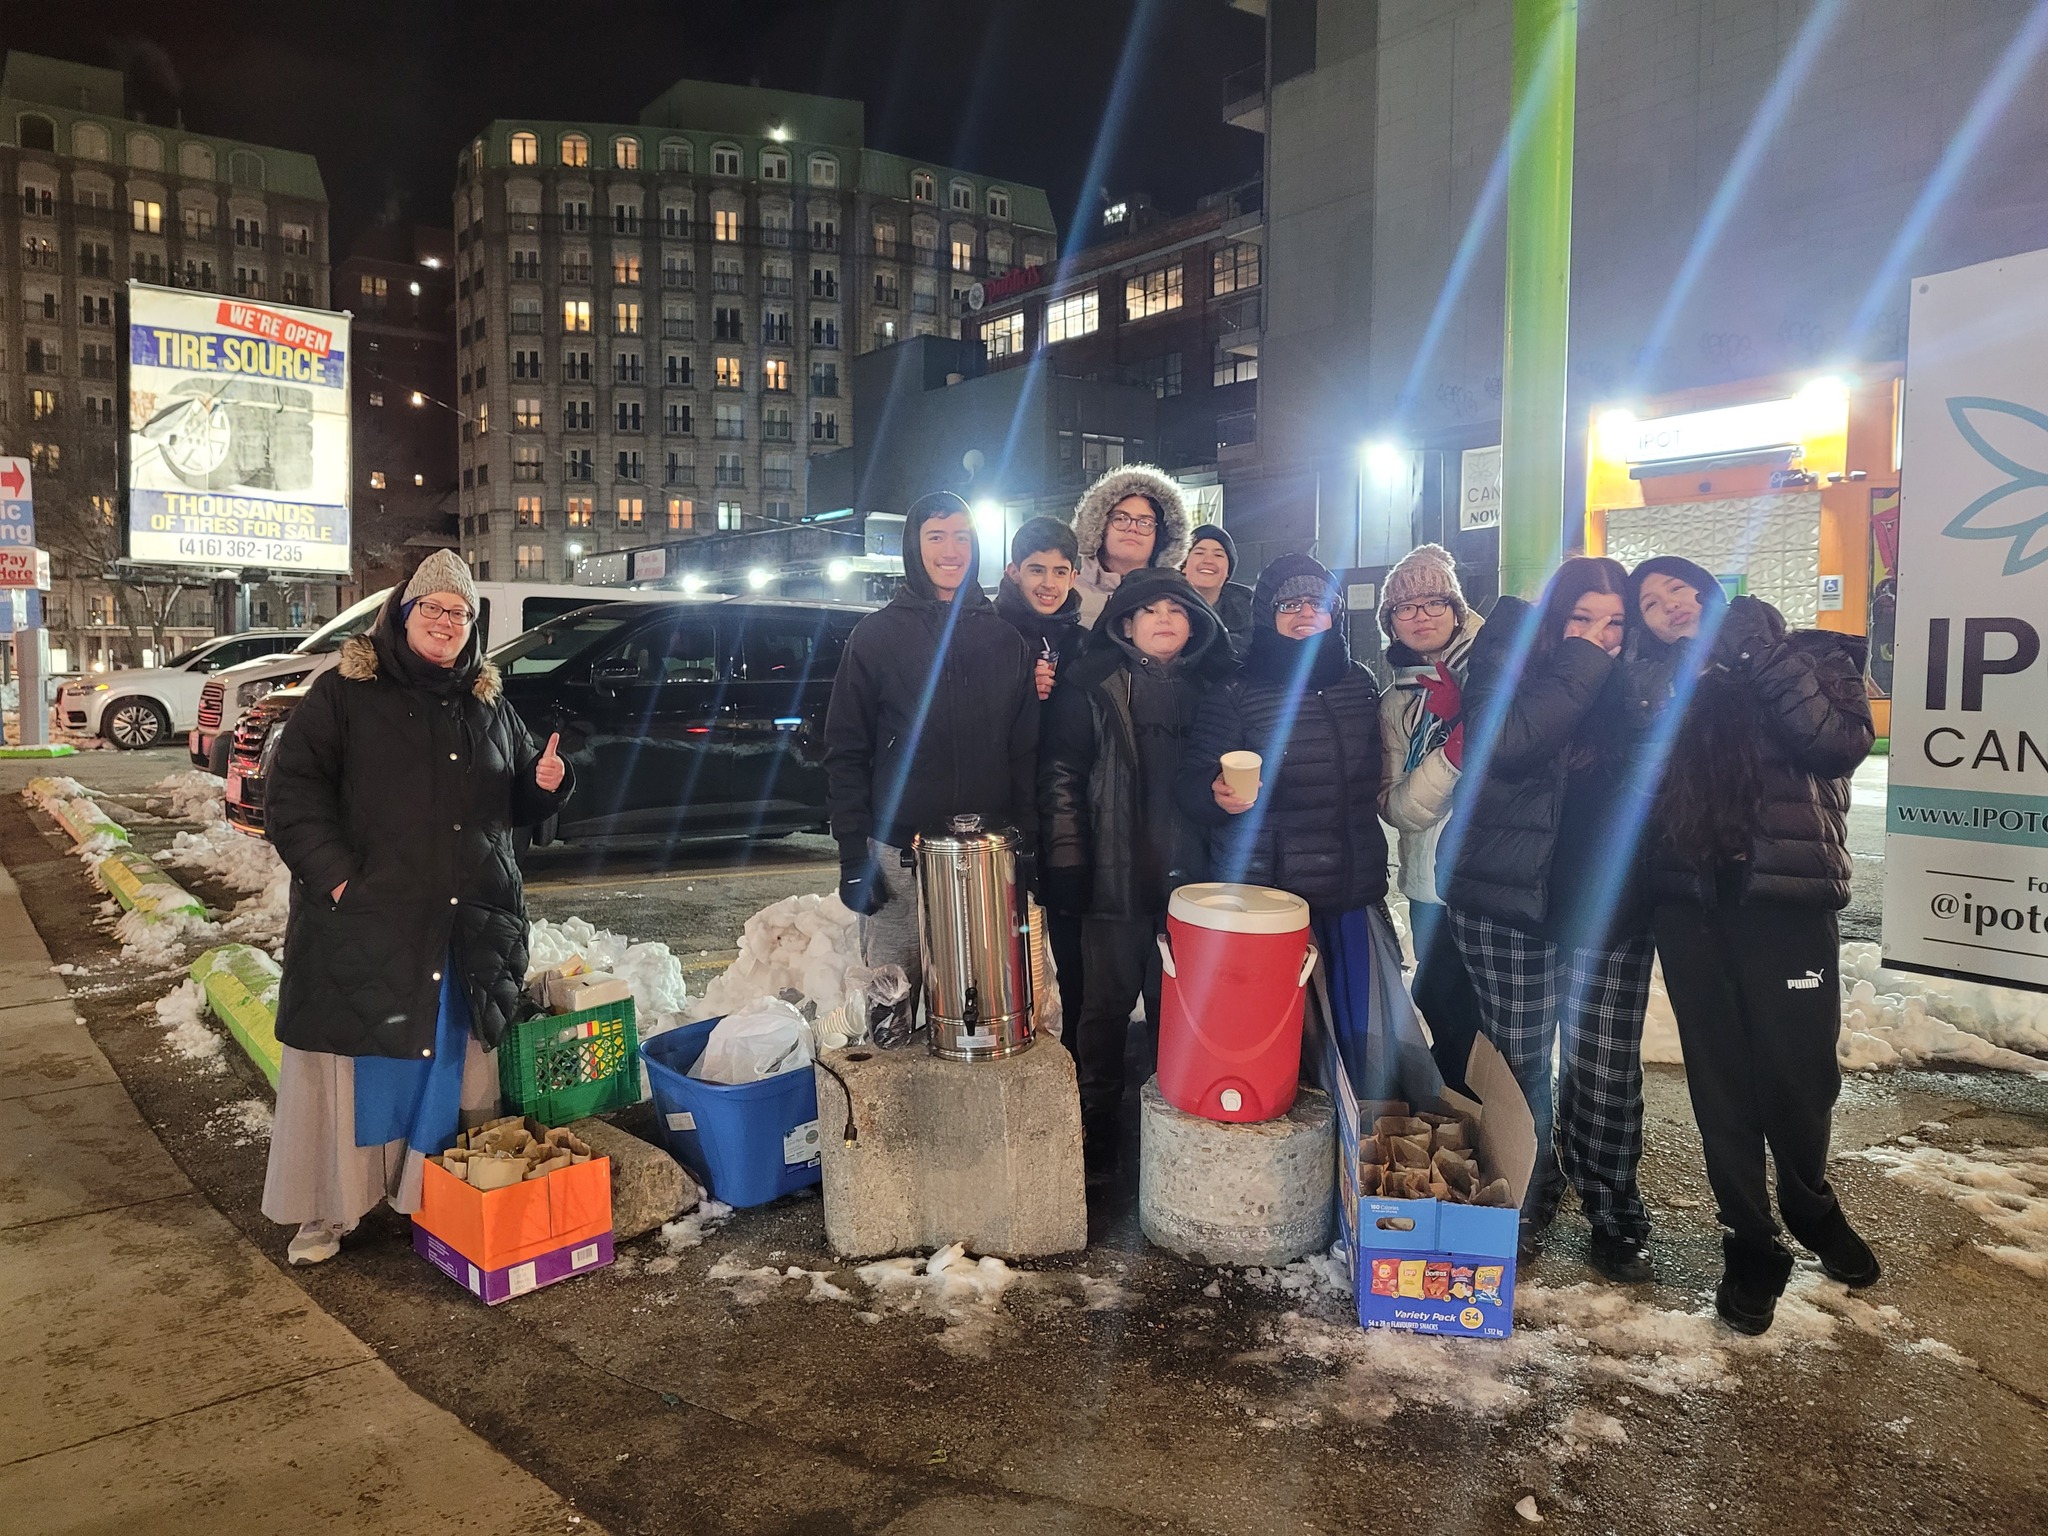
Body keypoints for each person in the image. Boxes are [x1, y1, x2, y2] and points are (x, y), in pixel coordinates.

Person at [260, 550, 573, 1266]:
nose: (446, 623)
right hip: (369, 925)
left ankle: (430, 1201)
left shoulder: (488, 703)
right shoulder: (343, 693)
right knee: (357, 1072)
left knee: (443, 1070)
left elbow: (515, 800)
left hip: (463, 925)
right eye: (432, 608)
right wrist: (340, 882)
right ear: (403, 615)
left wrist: (548, 783)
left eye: (460, 613)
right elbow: (293, 797)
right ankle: (328, 1211)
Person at [1624, 557, 1879, 1335]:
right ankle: (1752, 1238)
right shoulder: (1655, 684)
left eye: (1679, 592)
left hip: (1785, 904)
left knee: (1800, 1077)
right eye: (1651, 602)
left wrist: (1754, 656)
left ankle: (1810, 1204)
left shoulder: (1810, 654)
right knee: (1722, 1084)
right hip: (1691, 907)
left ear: (1714, 596)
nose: (1666, 607)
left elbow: (1837, 745)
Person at [1439, 556, 1658, 1282]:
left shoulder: (1636, 684)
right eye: (1581, 620)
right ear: (1554, 621)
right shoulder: (1509, 665)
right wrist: (1584, 663)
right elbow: (1511, 741)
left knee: (1602, 1070)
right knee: (1522, 1062)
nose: (1598, 637)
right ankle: (1525, 1191)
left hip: (1611, 910)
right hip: (1510, 905)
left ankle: (1611, 1203)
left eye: (1615, 624)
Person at [1040, 569, 1231, 1180]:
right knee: (1103, 1008)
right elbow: (1062, 780)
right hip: (1114, 877)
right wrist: (1068, 861)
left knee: (1178, 1010)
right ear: (1125, 624)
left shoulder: (1214, 688)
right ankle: (1095, 1125)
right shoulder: (1091, 685)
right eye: (1149, 610)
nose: (1165, 619)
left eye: (1177, 608)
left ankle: (1168, 1122)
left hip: (1192, 883)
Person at [824, 490, 1040, 1004]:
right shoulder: (876, 636)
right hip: (898, 855)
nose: (951, 550)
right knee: (890, 1001)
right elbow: (845, 750)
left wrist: (1027, 844)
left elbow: (1024, 751)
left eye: (962, 537)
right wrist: (853, 854)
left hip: (983, 859)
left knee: (981, 1007)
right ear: (913, 546)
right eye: (936, 536)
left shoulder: (1005, 640)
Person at [1176, 554, 1389, 1068]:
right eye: (1287, 604)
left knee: (1358, 1036)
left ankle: (1356, 1138)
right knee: (1276, 1038)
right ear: (1266, 613)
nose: (1303, 614)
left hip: (1349, 890)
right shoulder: (1236, 689)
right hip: (1267, 897)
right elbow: (1190, 782)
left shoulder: (1357, 682)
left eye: (1315, 602)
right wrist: (1215, 793)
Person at [1375, 544, 1488, 1091]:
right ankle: (1460, 1122)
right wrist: (1452, 752)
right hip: (1427, 881)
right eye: (1405, 607)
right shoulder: (1396, 700)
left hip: (1493, 876)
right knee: (1437, 998)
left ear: (1457, 608)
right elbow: (1398, 808)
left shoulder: (1500, 670)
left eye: (1432, 602)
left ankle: (1513, 1134)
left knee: (1497, 1015)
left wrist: (1469, 712)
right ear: (1390, 623)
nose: (1420, 615)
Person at [995, 515, 1086, 1041]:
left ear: (1074, 575)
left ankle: (1069, 1069)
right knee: (1010, 958)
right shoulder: (988, 633)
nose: (1048, 583)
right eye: (1036, 570)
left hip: (1069, 815)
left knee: (1072, 960)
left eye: (1059, 570)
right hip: (1006, 811)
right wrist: (1018, 685)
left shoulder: (1085, 641)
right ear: (1012, 571)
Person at [1071, 464, 1192, 628]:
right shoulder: (1067, 593)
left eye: (1145, 522)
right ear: (1100, 526)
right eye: (1121, 518)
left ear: (1161, 535)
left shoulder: (1178, 597)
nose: (1132, 528)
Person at [1181, 523, 1255, 655]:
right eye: (1199, 552)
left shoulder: (1251, 611)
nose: (1208, 560)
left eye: (1218, 555)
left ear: (1228, 571)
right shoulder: (1163, 605)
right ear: (1184, 565)